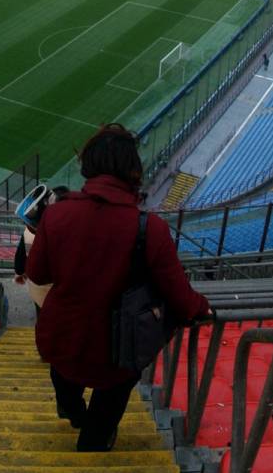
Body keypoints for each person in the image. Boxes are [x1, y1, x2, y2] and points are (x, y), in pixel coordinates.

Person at [26, 123, 210, 453]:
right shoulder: (150, 229)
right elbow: (181, 297)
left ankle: (72, 409)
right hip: (119, 351)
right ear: (133, 170)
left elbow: (37, 274)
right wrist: (202, 309)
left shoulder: (56, 216)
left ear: (89, 166)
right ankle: (92, 440)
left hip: (63, 337)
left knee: (65, 374)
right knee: (106, 409)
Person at [14, 185, 69, 310]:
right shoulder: (63, 232)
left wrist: (19, 273)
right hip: (56, 288)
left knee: (42, 317)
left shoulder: (28, 232)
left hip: (37, 286)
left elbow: (20, 258)